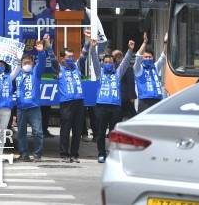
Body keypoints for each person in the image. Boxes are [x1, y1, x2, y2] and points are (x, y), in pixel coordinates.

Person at [50, 34, 90, 163]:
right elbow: (52, 59)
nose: (71, 59)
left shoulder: (77, 68)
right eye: (68, 57)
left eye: (72, 57)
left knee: (78, 130)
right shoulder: (59, 69)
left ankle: (74, 154)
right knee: (65, 129)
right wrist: (47, 46)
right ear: (62, 58)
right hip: (66, 103)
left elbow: (83, 55)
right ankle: (64, 154)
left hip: (79, 101)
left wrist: (88, 41)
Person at [92, 39, 130, 163]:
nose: (108, 64)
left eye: (110, 62)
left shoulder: (117, 74)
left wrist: (130, 50)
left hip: (115, 107)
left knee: (114, 133)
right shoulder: (100, 73)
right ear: (103, 64)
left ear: (114, 64)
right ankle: (101, 153)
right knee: (101, 132)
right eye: (106, 62)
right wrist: (93, 48)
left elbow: (125, 63)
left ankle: (113, 154)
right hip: (101, 106)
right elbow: (94, 61)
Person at [14, 41, 46, 162]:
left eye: (29, 62)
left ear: (32, 63)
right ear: (21, 64)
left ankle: (37, 154)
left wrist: (41, 51)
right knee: (21, 133)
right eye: (24, 63)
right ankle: (24, 154)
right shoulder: (17, 75)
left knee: (37, 132)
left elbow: (42, 62)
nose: (27, 64)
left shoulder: (36, 73)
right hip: (21, 108)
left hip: (34, 107)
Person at [134, 32, 166, 113]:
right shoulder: (138, 69)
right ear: (142, 58)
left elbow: (163, 57)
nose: (148, 58)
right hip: (145, 100)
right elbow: (138, 57)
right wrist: (144, 42)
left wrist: (166, 43)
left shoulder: (155, 66)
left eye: (150, 57)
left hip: (158, 99)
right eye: (145, 57)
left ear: (153, 57)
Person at [113, 43, 136, 121]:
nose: (118, 58)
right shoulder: (112, 67)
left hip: (125, 97)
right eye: (115, 56)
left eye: (119, 56)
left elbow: (131, 82)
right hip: (116, 98)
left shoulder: (127, 67)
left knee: (130, 117)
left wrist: (132, 96)